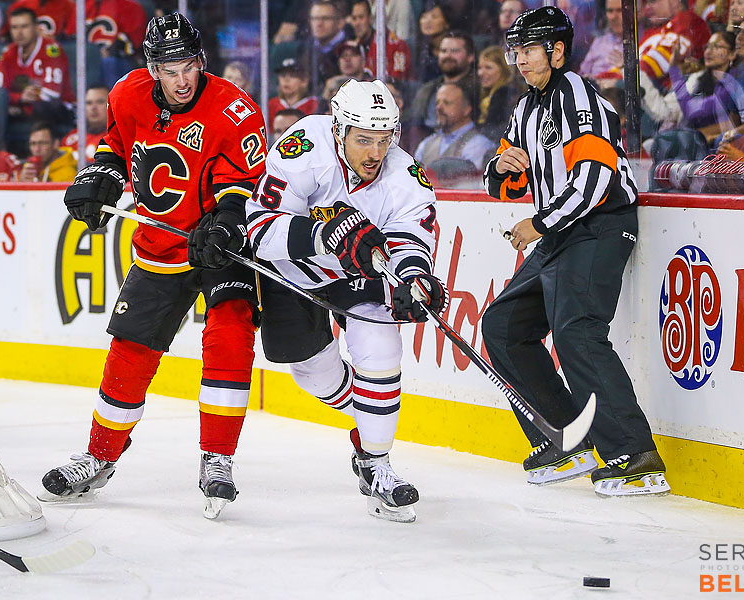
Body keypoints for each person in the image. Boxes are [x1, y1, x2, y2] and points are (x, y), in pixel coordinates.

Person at [41, 13, 266, 521]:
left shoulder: (235, 108)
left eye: (188, 65)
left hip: (222, 245)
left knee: (229, 336)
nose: (182, 79)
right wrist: (100, 175)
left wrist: (228, 219)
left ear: (200, 60)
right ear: (152, 68)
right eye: (169, 68)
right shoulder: (126, 93)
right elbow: (116, 147)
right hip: (160, 241)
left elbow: (246, 184)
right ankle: (99, 458)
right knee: (130, 350)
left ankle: (218, 459)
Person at [481, 7, 669, 498]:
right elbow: (501, 184)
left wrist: (539, 222)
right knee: (502, 327)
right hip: (563, 232)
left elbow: (596, 179)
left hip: (601, 226)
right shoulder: (526, 108)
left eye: (527, 50)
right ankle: (565, 437)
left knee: (575, 331)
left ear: (557, 51)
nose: (518, 60)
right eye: (515, 51)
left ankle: (634, 453)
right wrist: (501, 166)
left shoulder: (581, 97)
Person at [245, 79, 446, 522]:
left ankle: (377, 464)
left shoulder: (403, 171)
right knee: (309, 369)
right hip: (296, 270)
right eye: (363, 140)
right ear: (338, 130)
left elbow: (413, 232)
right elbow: (260, 231)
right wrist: (325, 234)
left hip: (361, 275)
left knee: (381, 351)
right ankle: (369, 414)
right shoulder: (303, 147)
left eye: (383, 138)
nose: (375, 152)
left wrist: (414, 276)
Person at [0, 8, 74, 128]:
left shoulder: (51, 50)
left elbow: (52, 93)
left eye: (24, 26)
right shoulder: (8, 53)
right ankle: (0, 145)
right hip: (23, 108)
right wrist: (20, 98)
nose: (19, 32)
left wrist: (16, 102)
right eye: (14, 27)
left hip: (58, 109)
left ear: (36, 28)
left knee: (41, 107)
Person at [414, 81, 495, 171]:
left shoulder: (479, 145)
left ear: (467, 109)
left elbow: (473, 182)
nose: (438, 108)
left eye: (447, 103)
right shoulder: (426, 144)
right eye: (437, 103)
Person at [347, 0, 413, 81]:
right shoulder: (354, 47)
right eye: (354, 18)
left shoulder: (394, 45)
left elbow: (397, 83)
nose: (357, 23)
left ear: (370, 19)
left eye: (361, 17)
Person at [477, 45, 523, 141]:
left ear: (503, 69)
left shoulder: (503, 93)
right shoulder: (487, 93)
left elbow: (492, 131)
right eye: (480, 67)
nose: (481, 73)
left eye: (488, 67)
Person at [60, 85, 109, 162]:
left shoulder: (117, 139)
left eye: (100, 102)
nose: (93, 108)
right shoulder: (69, 140)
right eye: (89, 103)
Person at [268, 57, 320, 128]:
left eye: (292, 76)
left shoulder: (313, 104)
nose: (286, 80)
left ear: (304, 81)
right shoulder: (272, 104)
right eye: (283, 75)